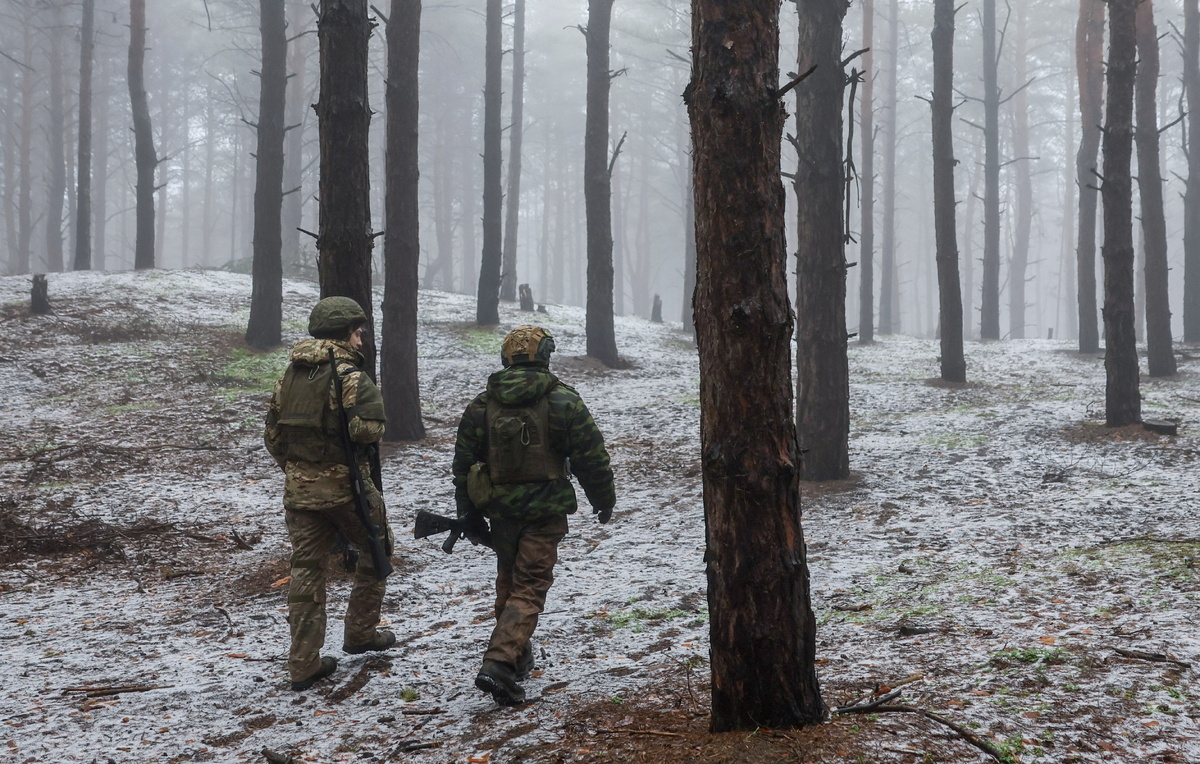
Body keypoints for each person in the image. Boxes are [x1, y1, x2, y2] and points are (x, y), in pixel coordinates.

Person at [452, 325, 616, 705]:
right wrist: (603, 499)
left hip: (501, 511)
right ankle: (499, 663)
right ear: (545, 355)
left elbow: (463, 465)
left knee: (508, 579)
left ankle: (515, 657)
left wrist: (469, 512)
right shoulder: (563, 401)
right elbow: (592, 457)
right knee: (529, 587)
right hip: (545, 510)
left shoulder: (482, 403)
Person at [264, 296, 395, 691]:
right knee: (376, 552)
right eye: (358, 334)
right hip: (346, 490)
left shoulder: (288, 376)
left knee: (306, 569)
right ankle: (360, 634)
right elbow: (367, 432)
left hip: (299, 494)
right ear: (344, 334)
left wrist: (299, 470)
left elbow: (272, 437)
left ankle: (303, 663)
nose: (361, 342)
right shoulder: (351, 377)